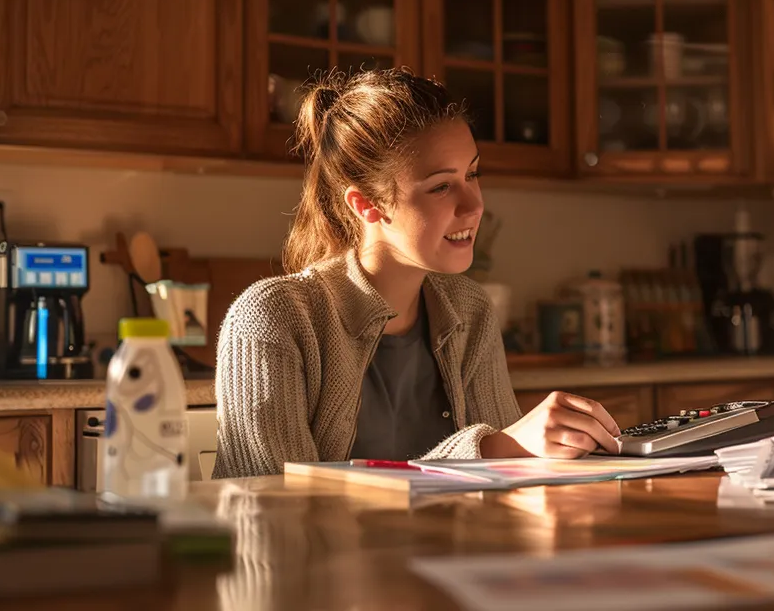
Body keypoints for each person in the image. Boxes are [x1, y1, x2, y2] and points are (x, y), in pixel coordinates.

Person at [210, 68, 621, 478]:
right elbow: (277, 511)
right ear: (366, 204)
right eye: (441, 186)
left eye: (472, 174)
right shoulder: (271, 320)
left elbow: (505, 489)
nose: (474, 205)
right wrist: (495, 448)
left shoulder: (469, 310)